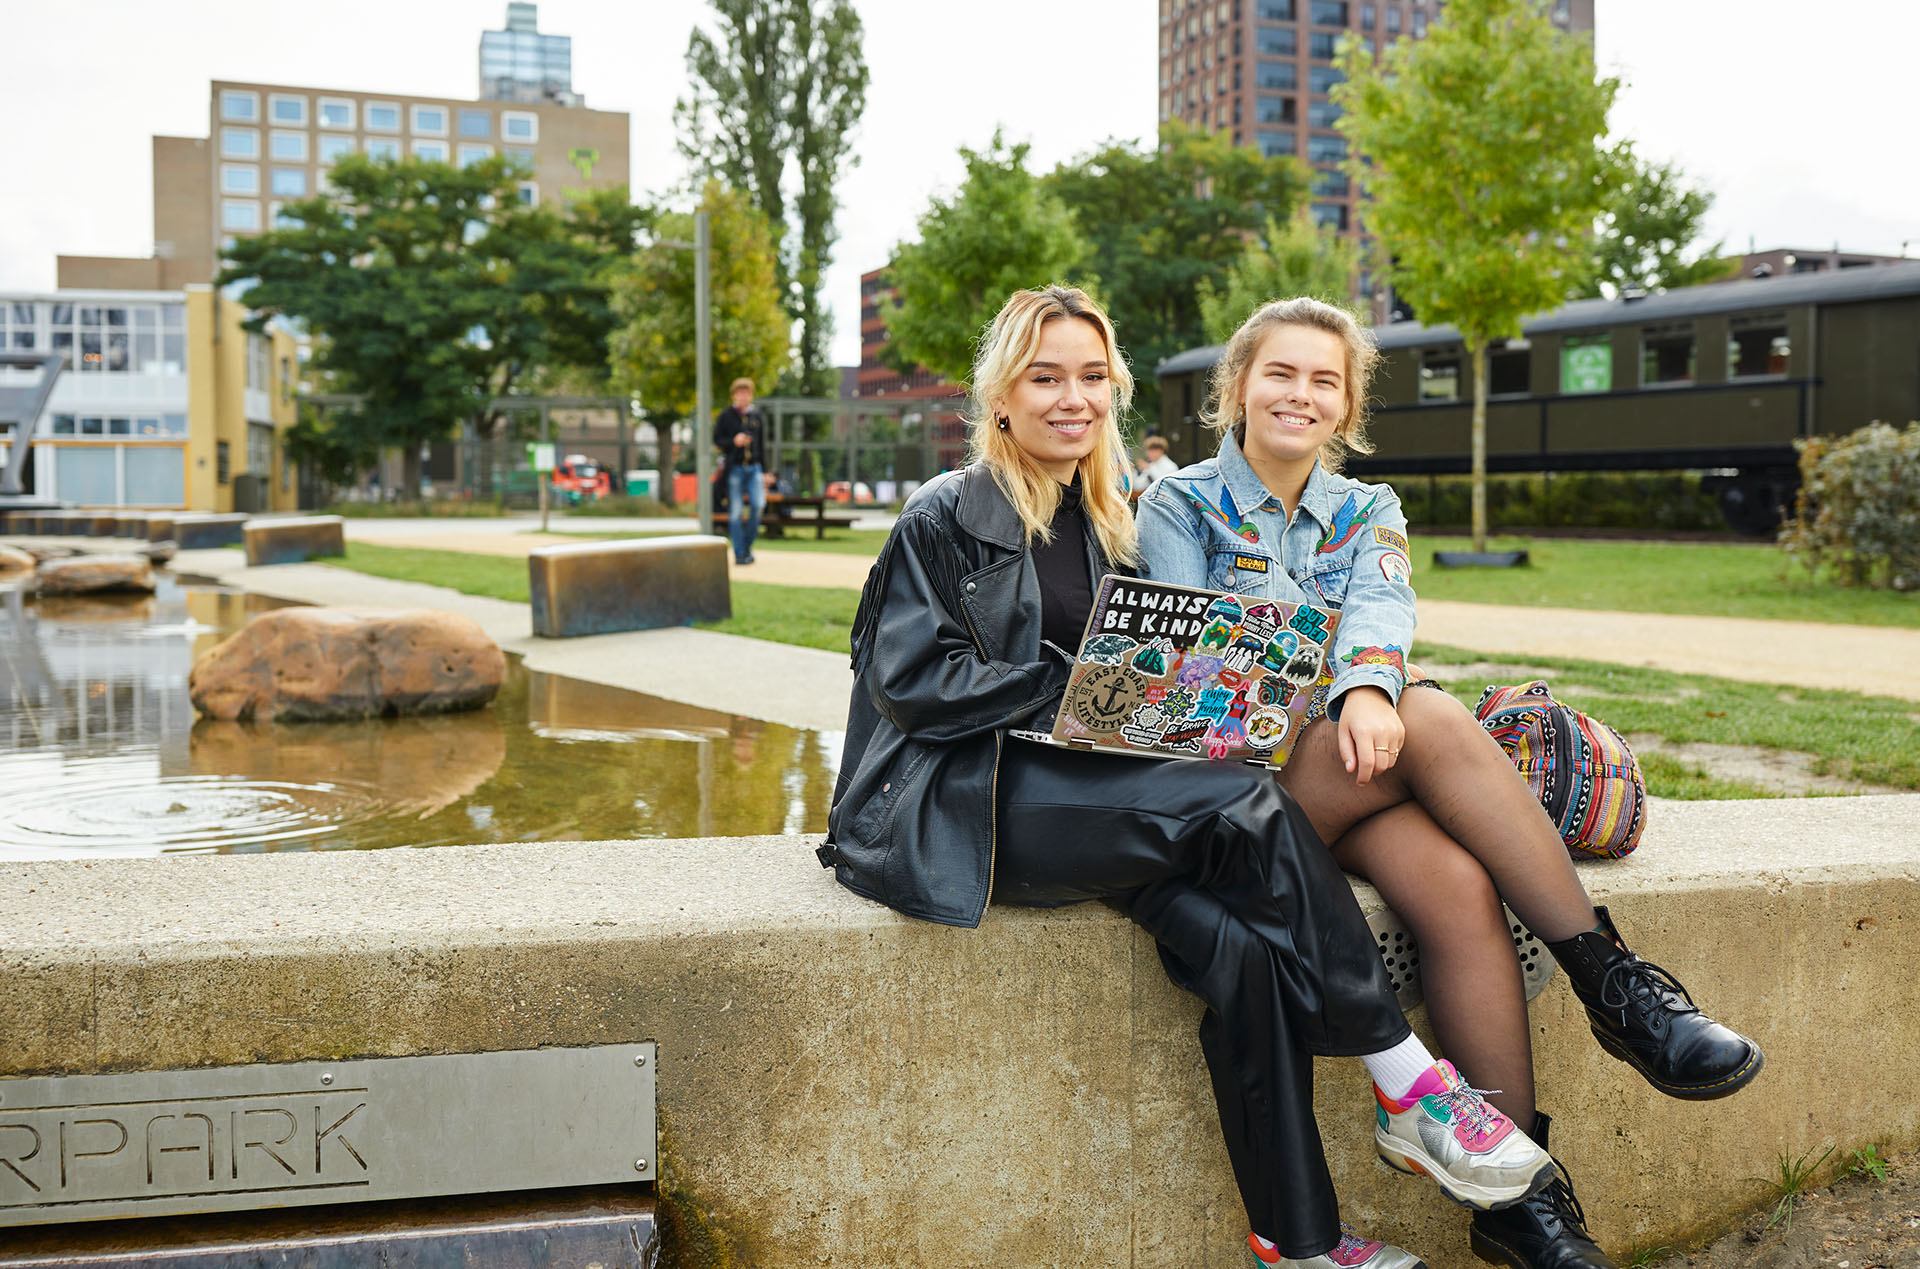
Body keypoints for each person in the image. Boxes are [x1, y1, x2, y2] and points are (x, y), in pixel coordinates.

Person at [823, 285, 1561, 1269]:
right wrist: (1077, 681)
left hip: (1090, 793)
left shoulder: (1108, 520)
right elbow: (910, 685)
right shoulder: (947, 515)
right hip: (967, 804)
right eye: (1045, 378)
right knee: (1246, 802)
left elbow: (1144, 688)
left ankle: (1298, 1242)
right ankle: (1409, 1083)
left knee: (1247, 951)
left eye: (1092, 378)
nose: (1071, 398)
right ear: (1002, 396)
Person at [1135, 297, 1766, 1269]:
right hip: (1241, 795)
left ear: (1346, 408)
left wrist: (1371, 683)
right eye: (1280, 373)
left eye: (1324, 381)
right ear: (1238, 386)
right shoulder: (1178, 505)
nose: (1300, 394)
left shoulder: (1367, 511)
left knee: (1460, 884)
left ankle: (1518, 1201)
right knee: (1425, 710)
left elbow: (1381, 606)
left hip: (1355, 776)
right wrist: (1370, 688)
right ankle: (1617, 989)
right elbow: (1197, 682)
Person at [713, 377, 766, 565]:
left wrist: (765, 471)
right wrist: (733, 442)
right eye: (740, 393)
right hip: (735, 468)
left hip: (754, 468)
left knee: (759, 505)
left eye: (747, 393)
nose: (743, 396)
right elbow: (717, 441)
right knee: (735, 512)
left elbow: (762, 444)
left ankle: (746, 547)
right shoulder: (726, 416)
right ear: (734, 395)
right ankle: (740, 554)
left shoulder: (756, 416)